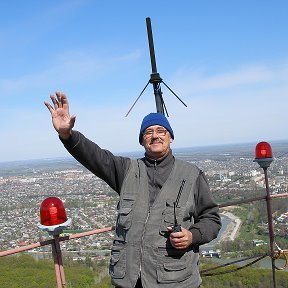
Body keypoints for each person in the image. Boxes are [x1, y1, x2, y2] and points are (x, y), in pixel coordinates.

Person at [44, 91, 221, 288]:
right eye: (148, 132)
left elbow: (211, 219)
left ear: (171, 137)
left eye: (161, 131)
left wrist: (192, 236)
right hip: (128, 280)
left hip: (174, 281)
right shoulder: (127, 170)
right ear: (142, 140)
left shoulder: (191, 175)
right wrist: (67, 135)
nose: (154, 136)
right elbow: (95, 157)